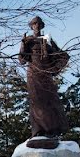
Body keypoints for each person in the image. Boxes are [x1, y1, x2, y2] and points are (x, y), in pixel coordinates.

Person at [18, 16, 70, 149]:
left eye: (38, 24)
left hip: (46, 75)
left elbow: (63, 56)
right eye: (34, 24)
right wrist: (23, 44)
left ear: (41, 26)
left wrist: (54, 68)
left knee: (50, 101)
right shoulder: (28, 40)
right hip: (33, 75)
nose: (36, 26)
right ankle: (38, 130)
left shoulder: (47, 40)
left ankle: (52, 130)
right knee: (36, 101)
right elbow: (22, 59)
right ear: (31, 26)